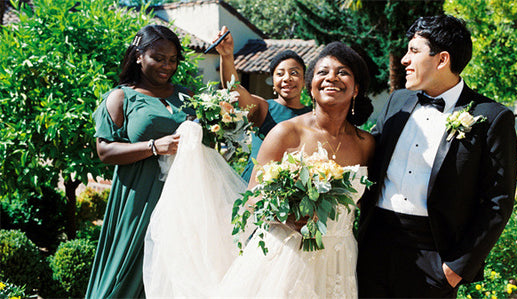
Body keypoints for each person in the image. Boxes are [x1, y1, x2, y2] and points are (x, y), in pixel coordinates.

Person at [142, 41, 374, 297]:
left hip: (340, 260)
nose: (332, 77)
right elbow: (252, 198)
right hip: (287, 258)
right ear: (311, 87)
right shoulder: (286, 133)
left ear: (356, 89)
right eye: (323, 72)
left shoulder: (366, 144)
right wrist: (286, 215)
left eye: (342, 72)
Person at [357, 15, 517, 298]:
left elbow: (497, 202)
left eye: (414, 51)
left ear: (442, 59)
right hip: (373, 247)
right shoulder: (397, 101)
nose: (404, 59)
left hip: (434, 257)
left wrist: (456, 268)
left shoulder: (491, 117)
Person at [86, 25, 194, 298]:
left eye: (172, 60)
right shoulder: (121, 97)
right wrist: (153, 147)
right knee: (125, 275)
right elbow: (105, 151)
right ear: (138, 56)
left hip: (182, 199)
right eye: (158, 57)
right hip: (138, 199)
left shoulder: (186, 97)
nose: (166, 65)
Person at [213, 26, 312, 182]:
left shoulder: (313, 115)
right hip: (255, 190)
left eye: (294, 73)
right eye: (280, 74)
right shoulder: (263, 108)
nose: (287, 78)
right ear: (273, 83)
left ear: (304, 81)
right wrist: (226, 56)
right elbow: (234, 90)